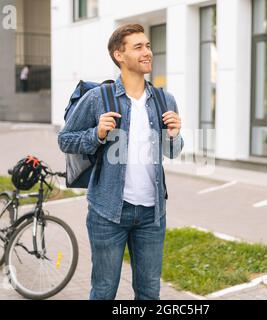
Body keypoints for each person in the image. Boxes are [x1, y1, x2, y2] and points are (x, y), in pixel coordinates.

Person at [58, 23, 184, 300]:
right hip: (108, 213)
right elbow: (65, 139)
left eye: (148, 46)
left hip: (153, 215)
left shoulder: (164, 99)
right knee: (103, 291)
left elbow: (172, 152)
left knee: (150, 292)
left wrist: (174, 135)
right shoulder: (97, 98)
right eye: (138, 47)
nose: (147, 52)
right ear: (119, 55)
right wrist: (96, 134)